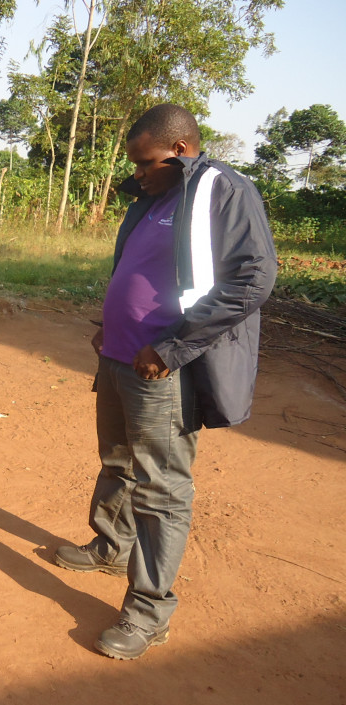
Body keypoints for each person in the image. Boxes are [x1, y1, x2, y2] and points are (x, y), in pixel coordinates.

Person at [53, 104, 276, 660]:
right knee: (118, 459)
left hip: (164, 367)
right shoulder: (154, 197)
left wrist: (173, 347)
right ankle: (110, 544)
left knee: (161, 489)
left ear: (179, 150)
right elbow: (138, 270)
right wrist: (111, 324)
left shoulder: (223, 190)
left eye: (146, 163)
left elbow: (254, 278)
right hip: (120, 359)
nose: (139, 174)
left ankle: (149, 612)